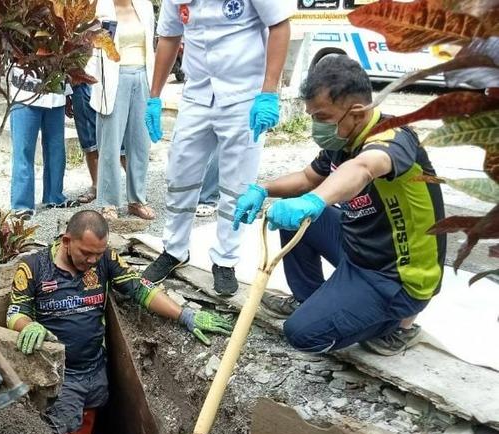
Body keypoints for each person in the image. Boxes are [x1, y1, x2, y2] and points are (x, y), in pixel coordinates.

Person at [233, 55, 446, 356]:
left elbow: (365, 168)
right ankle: (309, 297)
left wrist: (315, 200)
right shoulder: (341, 143)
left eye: (321, 117)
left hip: (396, 275)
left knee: (302, 334)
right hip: (359, 248)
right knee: (294, 208)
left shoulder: (394, 138)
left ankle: (399, 324)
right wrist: (262, 189)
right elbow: (307, 178)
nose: (315, 127)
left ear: (357, 113)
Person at [7, 210, 232, 434]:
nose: (92, 260)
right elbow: (16, 311)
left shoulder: (105, 260)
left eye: (98, 254)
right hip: (60, 373)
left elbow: (139, 289)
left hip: (94, 367)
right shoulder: (34, 267)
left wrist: (185, 316)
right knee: (65, 433)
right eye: (86, 253)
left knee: (87, 424)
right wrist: (27, 325)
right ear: (67, 240)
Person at [142, 0, 293, 295]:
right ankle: (174, 250)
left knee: (237, 184)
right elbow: (170, 36)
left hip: (244, 95)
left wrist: (269, 92)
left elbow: (279, 25)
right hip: (197, 93)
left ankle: (225, 260)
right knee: (180, 173)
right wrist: (155, 96)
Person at [89, 0, 157, 221]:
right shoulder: (98, 7)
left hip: (143, 75)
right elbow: (87, 48)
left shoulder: (145, 6)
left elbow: (153, 45)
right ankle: (108, 202)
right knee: (109, 143)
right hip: (112, 79)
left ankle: (136, 199)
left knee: (140, 141)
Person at [9, 68, 79, 219]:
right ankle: (22, 204)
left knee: (56, 149)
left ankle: (55, 196)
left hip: (55, 95)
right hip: (24, 95)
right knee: (24, 150)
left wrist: (67, 93)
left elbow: (65, 61)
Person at [66, 80, 100, 204]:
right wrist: (67, 93)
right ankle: (96, 185)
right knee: (88, 138)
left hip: (108, 77)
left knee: (120, 141)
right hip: (80, 81)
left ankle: (134, 191)